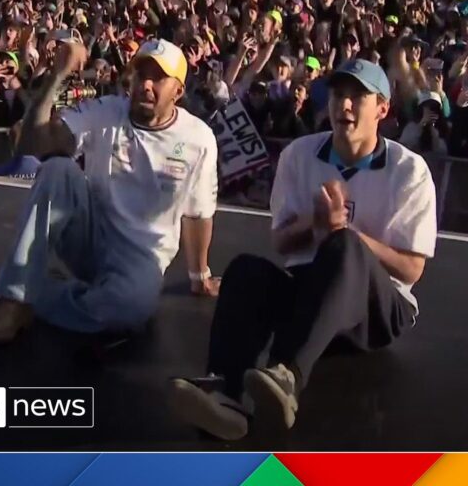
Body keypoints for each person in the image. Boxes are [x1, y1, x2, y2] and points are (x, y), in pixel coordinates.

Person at [170, 59, 437, 439]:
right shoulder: (300, 155)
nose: (344, 105)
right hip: (310, 293)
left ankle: (287, 376)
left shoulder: (409, 171)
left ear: (382, 108)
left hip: (377, 311)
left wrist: (345, 234)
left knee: (344, 244)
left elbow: (411, 270)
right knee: (246, 269)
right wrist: (317, 225)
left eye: (357, 97)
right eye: (338, 95)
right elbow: (282, 242)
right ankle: (224, 394)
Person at [0, 39, 220, 343]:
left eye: (158, 77)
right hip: (90, 236)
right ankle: (13, 299)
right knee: (57, 169)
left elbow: (199, 213)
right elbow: (32, 146)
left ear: (179, 91)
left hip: (141, 257)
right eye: (141, 73)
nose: (145, 84)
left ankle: (37, 294)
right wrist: (57, 74)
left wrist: (200, 277)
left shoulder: (200, 139)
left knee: (129, 310)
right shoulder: (106, 110)